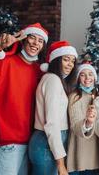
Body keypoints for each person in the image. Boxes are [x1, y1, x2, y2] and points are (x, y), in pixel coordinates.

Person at [0, 23, 48, 175]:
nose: (36, 43)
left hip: (29, 143)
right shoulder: (4, 63)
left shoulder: (40, 72)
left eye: (40, 40)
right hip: (6, 144)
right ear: (23, 40)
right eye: (32, 38)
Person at [28, 40, 78, 175]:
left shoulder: (54, 79)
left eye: (73, 61)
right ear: (56, 60)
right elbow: (52, 124)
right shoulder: (53, 81)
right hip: (46, 144)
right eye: (66, 60)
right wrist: (61, 165)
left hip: (50, 143)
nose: (70, 65)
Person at [67, 63, 99, 175]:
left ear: (95, 78)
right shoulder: (75, 97)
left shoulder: (98, 96)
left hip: (96, 153)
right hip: (80, 152)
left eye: (90, 74)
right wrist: (87, 123)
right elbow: (75, 125)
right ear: (78, 78)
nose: (87, 78)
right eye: (83, 75)